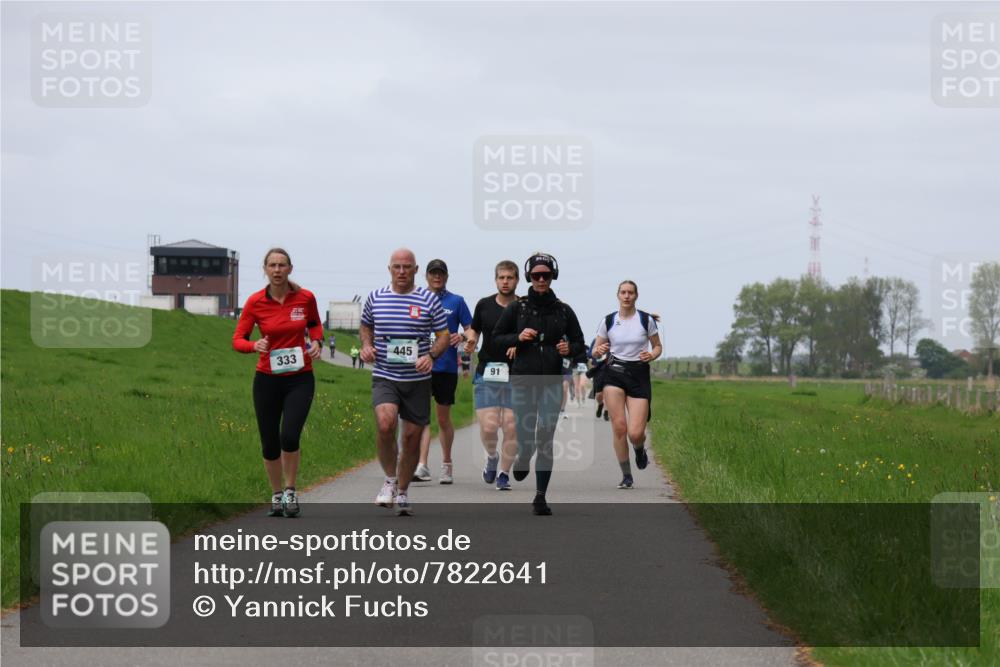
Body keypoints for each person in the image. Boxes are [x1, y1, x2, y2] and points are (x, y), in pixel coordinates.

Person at [492, 252, 586, 515]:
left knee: (545, 435)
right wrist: (518, 337)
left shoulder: (564, 310)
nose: (541, 279)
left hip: (552, 382)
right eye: (536, 275)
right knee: (525, 438)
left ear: (553, 276)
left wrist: (570, 348)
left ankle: (540, 497)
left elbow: (581, 344)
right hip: (523, 380)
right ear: (529, 278)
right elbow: (496, 339)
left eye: (546, 275)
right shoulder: (517, 308)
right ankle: (523, 457)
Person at [232, 248, 323, 517]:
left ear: (290, 268)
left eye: (282, 265)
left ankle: (291, 491)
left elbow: (316, 324)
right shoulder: (255, 302)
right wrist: (253, 345)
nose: (277, 269)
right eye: (272, 265)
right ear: (265, 269)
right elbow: (238, 339)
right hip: (267, 380)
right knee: (269, 442)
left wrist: (316, 341)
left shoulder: (305, 298)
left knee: (289, 435)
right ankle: (275, 494)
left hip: (300, 378)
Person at [360, 248, 449, 515]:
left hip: (418, 379)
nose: (401, 272)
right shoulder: (376, 297)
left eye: (406, 267)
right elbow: (366, 326)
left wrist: (431, 355)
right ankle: (389, 480)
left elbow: (443, 335)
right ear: (389, 269)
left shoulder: (428, 300)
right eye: (396, 267)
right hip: (385, 375)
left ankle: (402, 491)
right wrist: (366, 345)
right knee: (386, 424)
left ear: (415, 269)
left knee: (411, 439)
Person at [592, 280, 663, 489]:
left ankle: (639, 449)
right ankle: (626, 475)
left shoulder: (645, 320)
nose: (626, 296)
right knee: (620, 427)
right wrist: (598, 351)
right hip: (613, 373)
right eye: (623, 292)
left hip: (639, 374)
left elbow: (658, 346)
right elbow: (596, 351)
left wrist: (652, 354)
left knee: (635, 433)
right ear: (618, 295)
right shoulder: (608, 321)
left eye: (630, 292)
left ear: (636, 296)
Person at [411, 260, 472, 484]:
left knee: (443, 418)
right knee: (422, 416)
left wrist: (463, 336)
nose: (437, 277)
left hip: (446, 367)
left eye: (441, 274)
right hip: (421, 365)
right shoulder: (416, 298)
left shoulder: (456, 301)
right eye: (433, 273)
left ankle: (446, 464)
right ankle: (422, 465)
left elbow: (470, 329)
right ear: (426, 276)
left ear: (446, 277)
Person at [464, 260, 520, 490]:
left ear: (517, 280)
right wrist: (471, 339)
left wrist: (520, 345)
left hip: (518, 375)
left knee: (511, 426)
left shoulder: (524, 306)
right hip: (488, 371)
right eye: (501, 277)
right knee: (489, 426)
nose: (505, 282)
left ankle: (504, 474)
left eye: (510, 278)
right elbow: (474, 328)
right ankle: (492, 456)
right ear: (495, 279)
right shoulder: (484, 305)